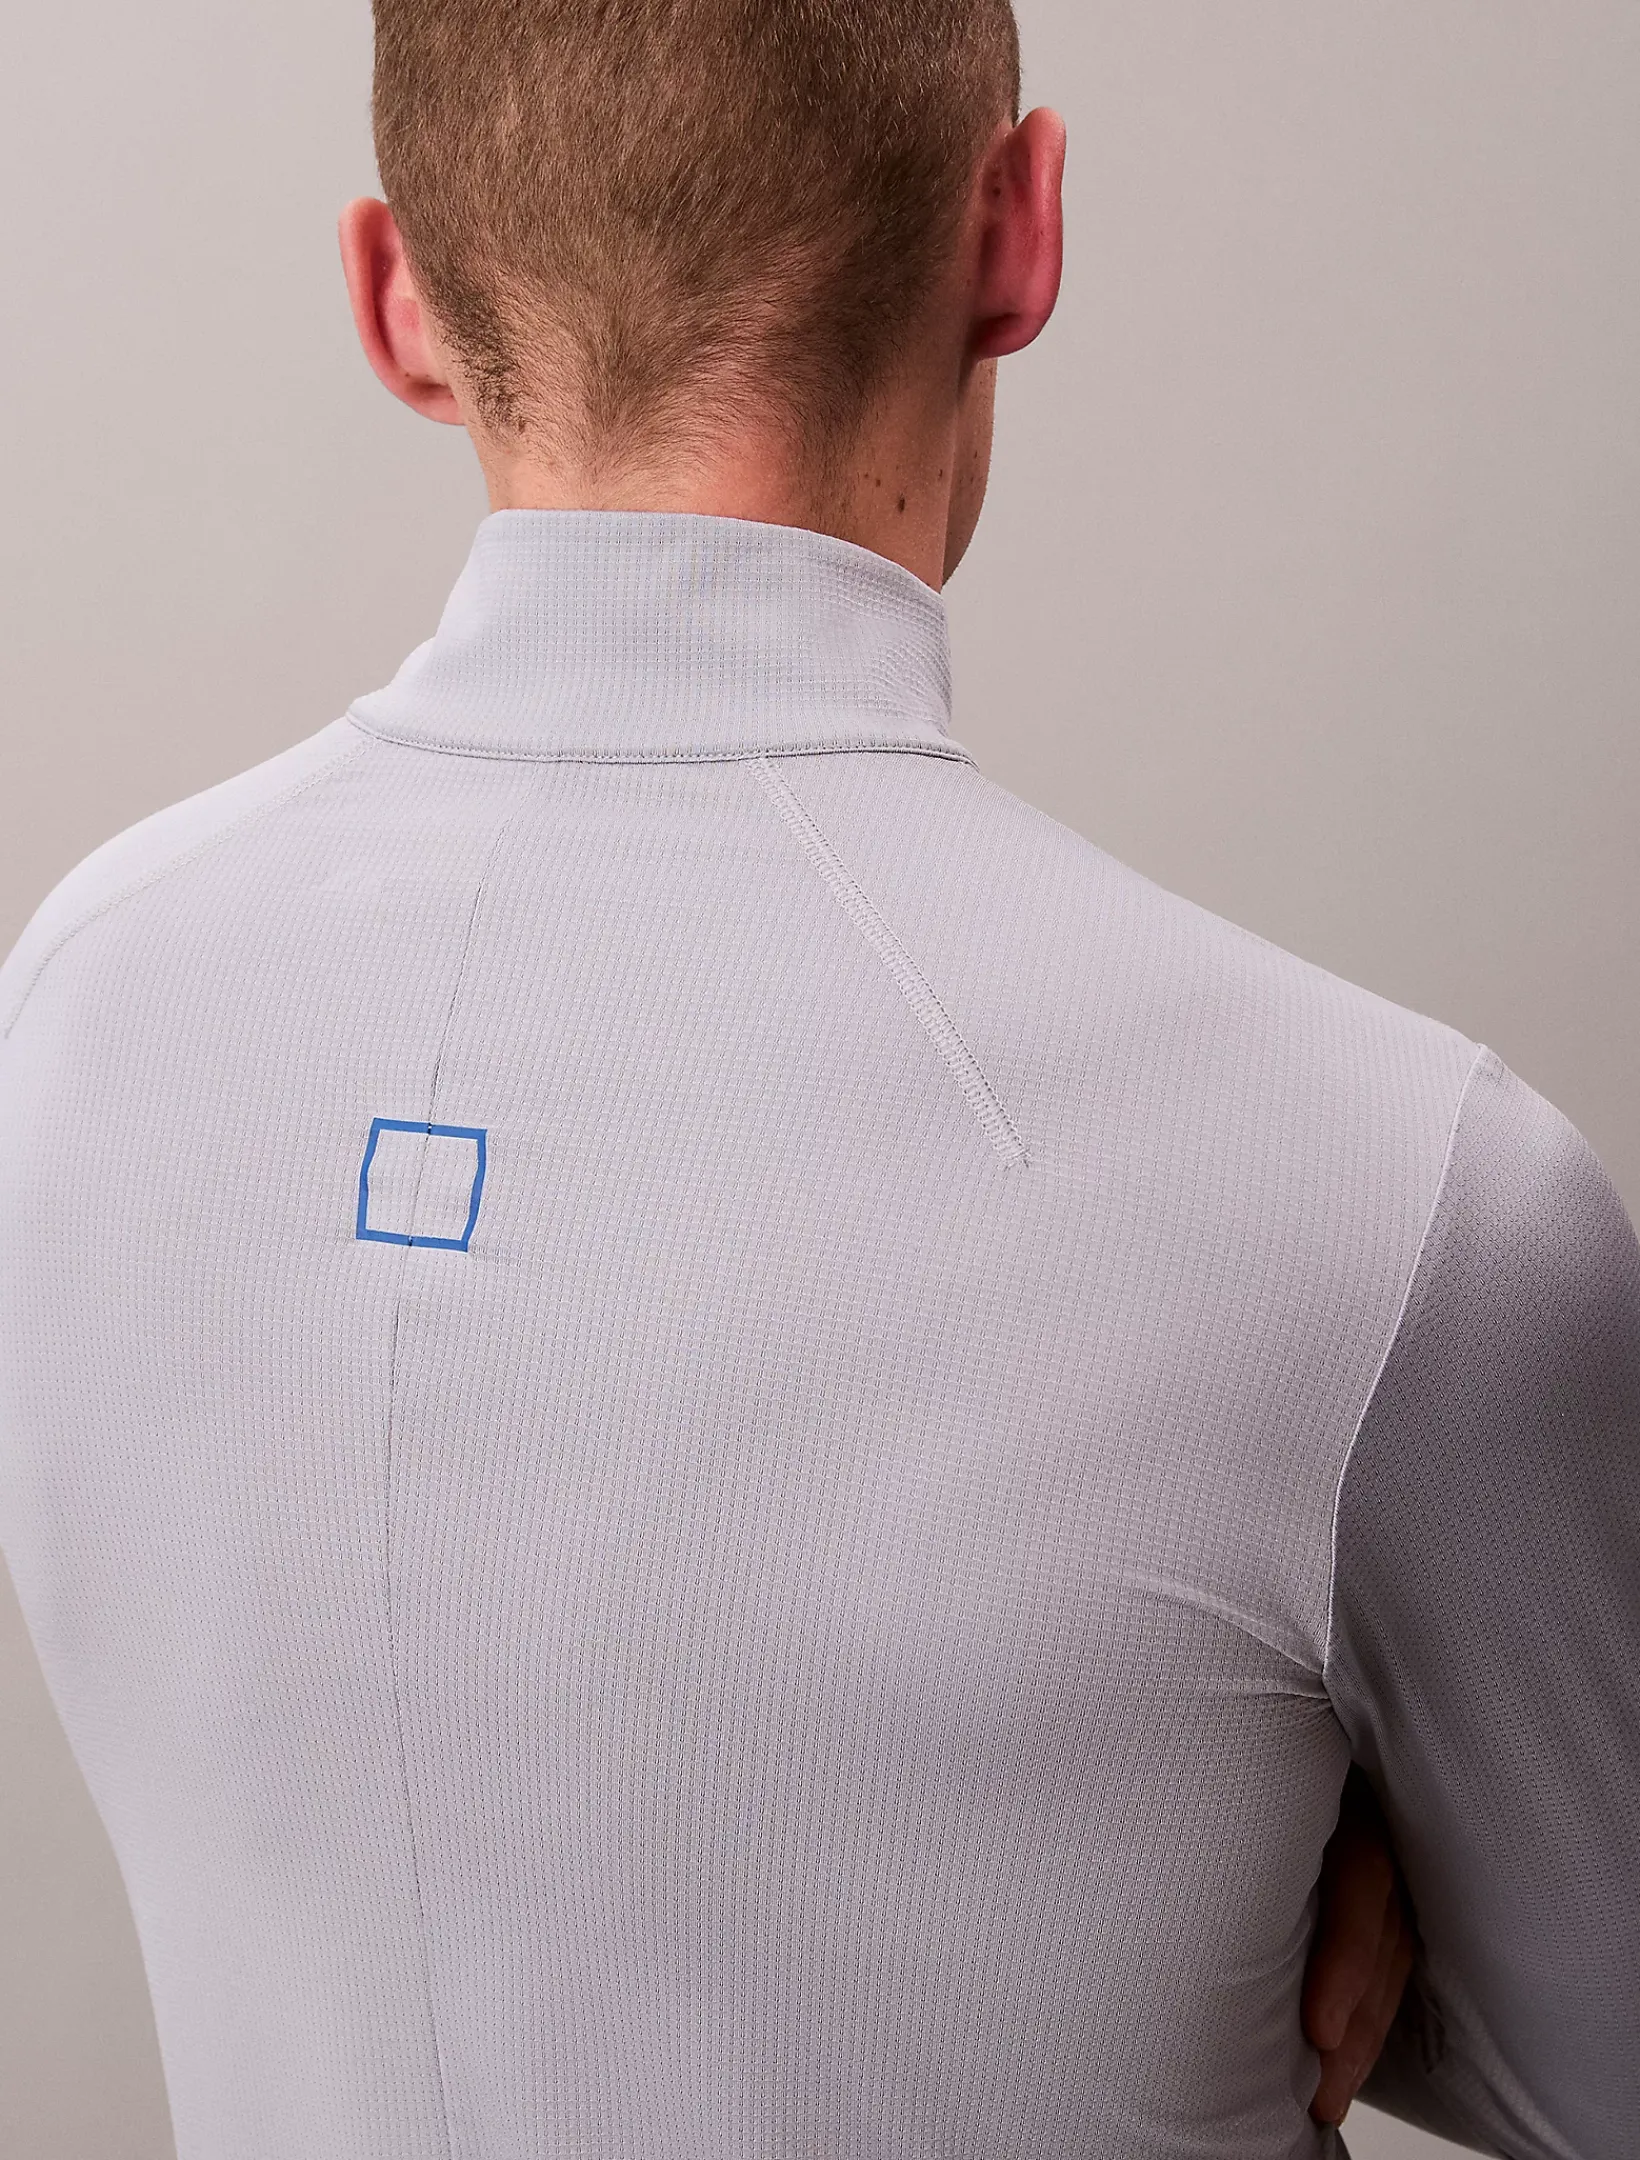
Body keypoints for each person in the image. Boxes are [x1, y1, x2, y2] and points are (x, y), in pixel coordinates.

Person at [0, 0, 1632, 2154]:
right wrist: (1303, 1925)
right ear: (1022, 230)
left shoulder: (78, 1008)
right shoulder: (1401, 1192)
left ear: (396, 301)